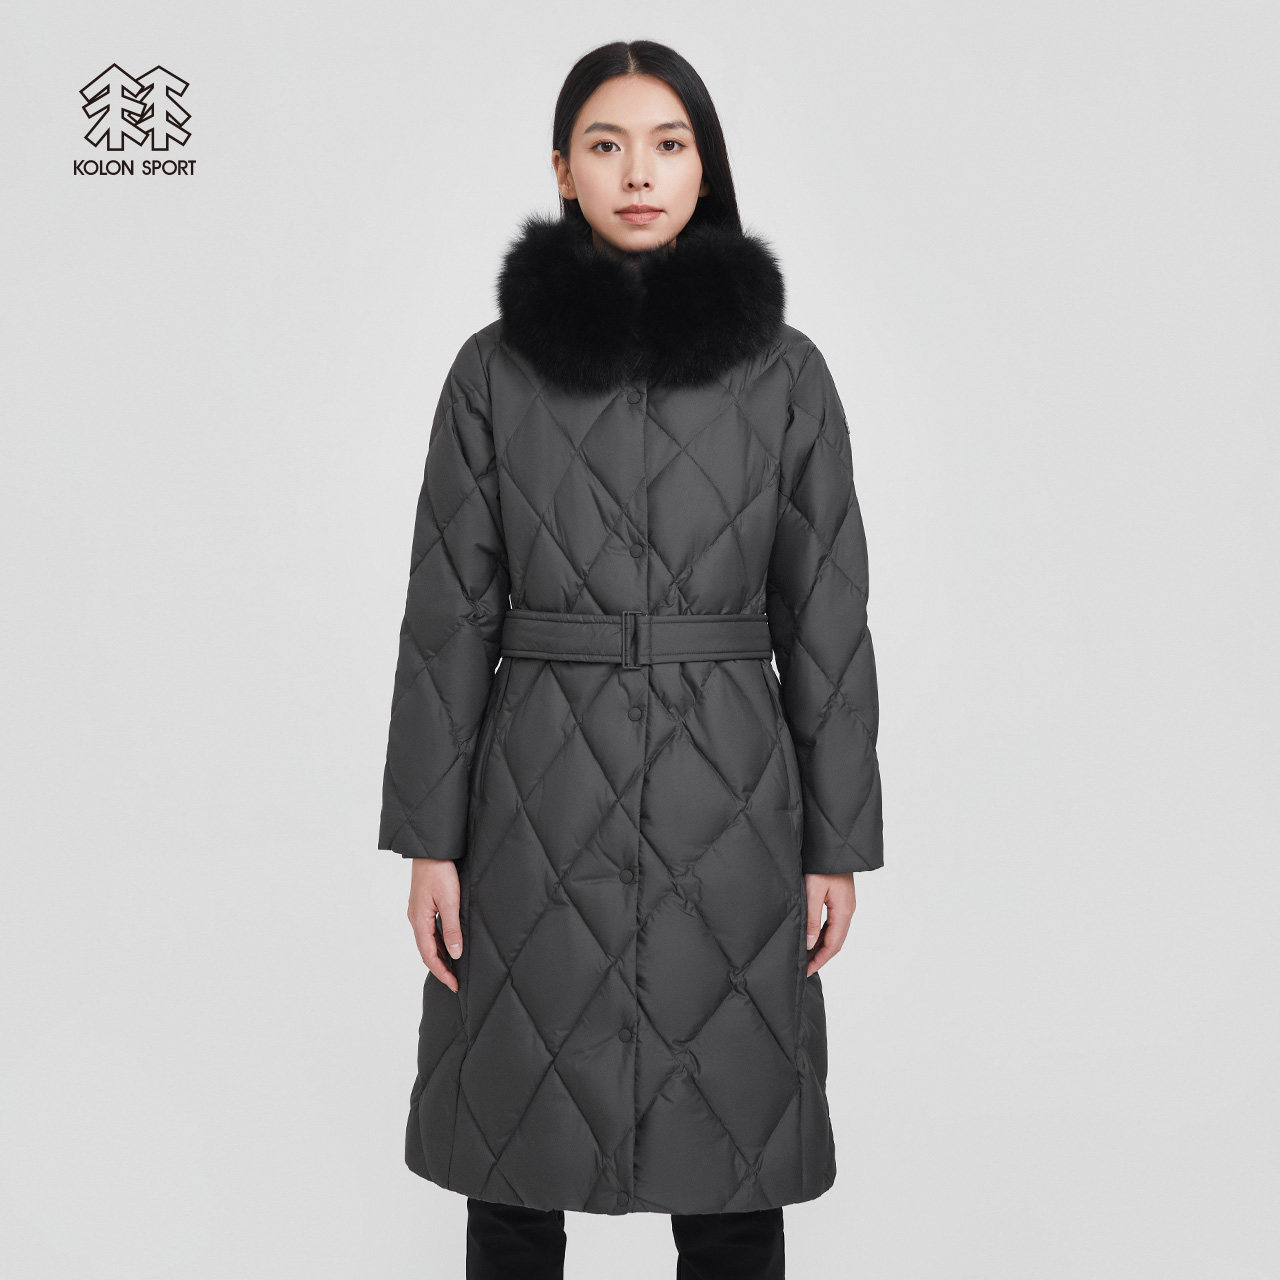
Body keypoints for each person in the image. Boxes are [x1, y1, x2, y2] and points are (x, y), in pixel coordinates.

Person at [377, 39, 885, 1280]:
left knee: (731, 1161)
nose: (638, 172)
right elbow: (448, 615)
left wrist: (834, 843)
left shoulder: (785, 373)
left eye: (668, 143)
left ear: (704, 166)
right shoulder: (492, 371)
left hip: (731, 800)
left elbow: (824, 615)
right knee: (512, 1157)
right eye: (605, 145)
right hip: (532, 797)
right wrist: (429, 840)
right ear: (562, 169)